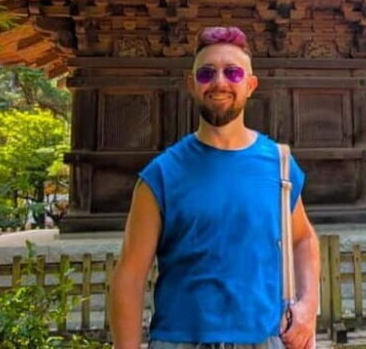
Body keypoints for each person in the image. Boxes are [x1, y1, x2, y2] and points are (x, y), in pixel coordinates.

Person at [110, 26, 319, 349]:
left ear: (250, 85)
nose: (220, 82)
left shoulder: (279, 164)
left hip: (263, 339)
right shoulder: (162, 175)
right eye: (207, 73)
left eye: (233, 73)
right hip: (180, 340)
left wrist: (308, 307)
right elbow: (130, 276)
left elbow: (303, 238)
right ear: (192, 85)